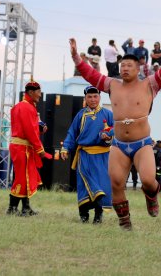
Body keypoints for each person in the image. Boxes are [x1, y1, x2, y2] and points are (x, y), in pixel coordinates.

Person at [69, 36, 161, 230]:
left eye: (129, 66)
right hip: (118, 144)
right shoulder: (112, 85)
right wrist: (76, 57)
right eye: (122, 65)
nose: (124, 68)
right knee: (116, 182)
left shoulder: (149, 84)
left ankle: (151, 196)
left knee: (149, 180)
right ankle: (125, 223)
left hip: (141, 144)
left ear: (138, 68)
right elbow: (90, 74)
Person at [61, 86, 113, 223]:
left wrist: (109, 136)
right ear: (85, 98)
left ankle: (98, 216)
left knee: (101, 185)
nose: (93, 99)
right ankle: (84, 215)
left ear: (100, 97)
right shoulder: (80, 115)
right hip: (85, 156)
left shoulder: (108, 114)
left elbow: (117, 130)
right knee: (85, 185)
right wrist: (65, 148)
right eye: (89, 97)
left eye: (95, 96)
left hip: (103, 156)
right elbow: (72, 133)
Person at [6, 78, 51, 216]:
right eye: (38, 92)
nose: (40, 95)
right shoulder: (26, 107)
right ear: (31, 92)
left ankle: (25, 207)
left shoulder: (23, 106)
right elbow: (29, 131)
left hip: (21, 146)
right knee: (22, 177)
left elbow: (29, 128)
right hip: (22, 148)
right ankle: (12, 208)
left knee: (24, 176)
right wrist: (40, 149)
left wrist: (39, 129)